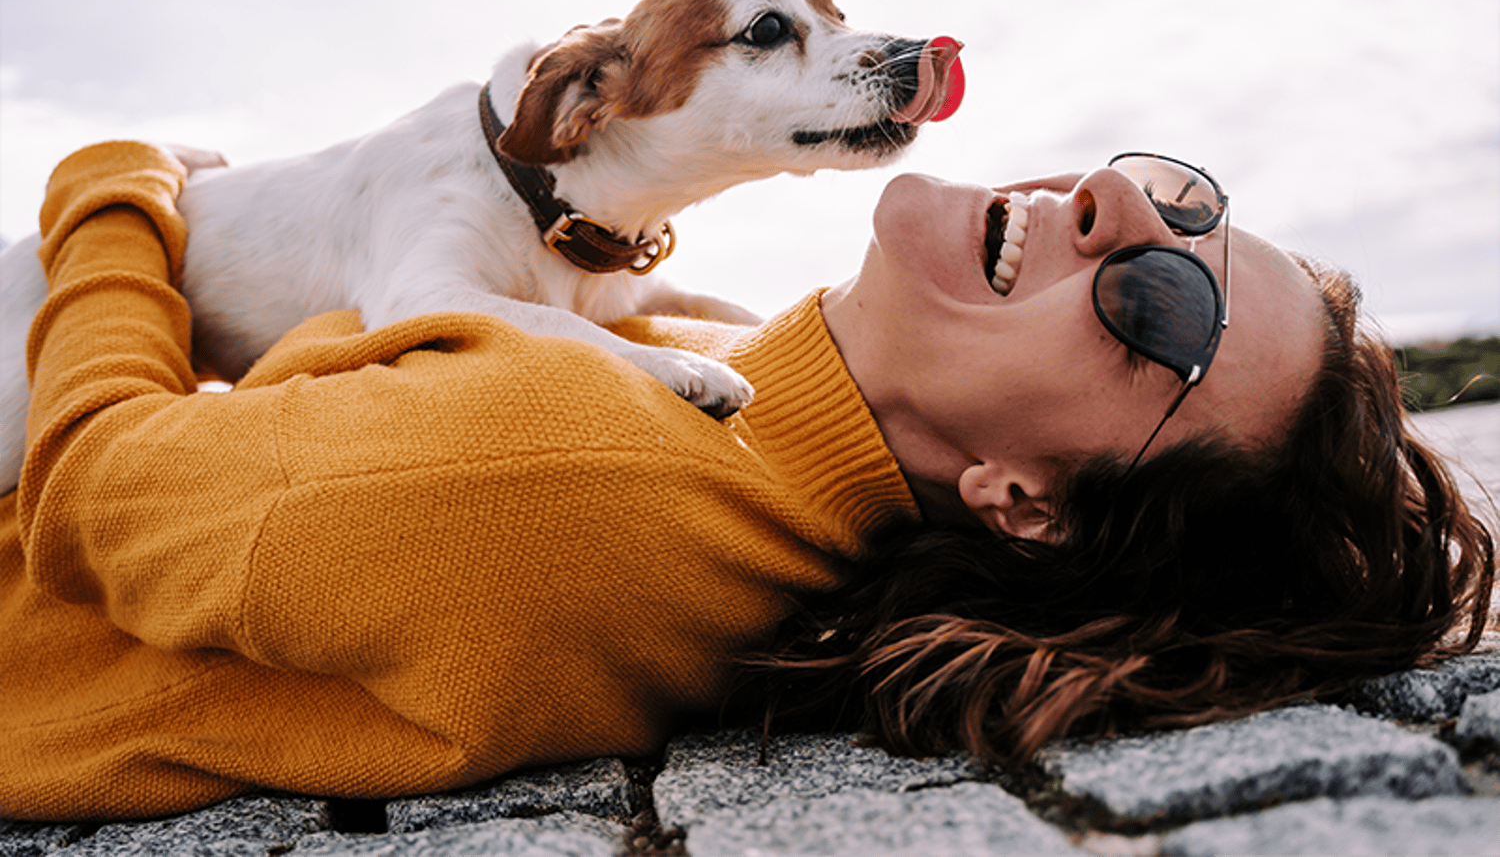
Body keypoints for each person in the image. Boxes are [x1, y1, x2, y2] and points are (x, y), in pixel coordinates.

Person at [0, 142, 1490, 822]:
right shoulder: (735, 389)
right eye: (1182, 200)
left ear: (1022, 501)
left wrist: (118, 199)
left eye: (1159, 313)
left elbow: (92, 487)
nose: (1110, 209)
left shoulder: (559, 476)